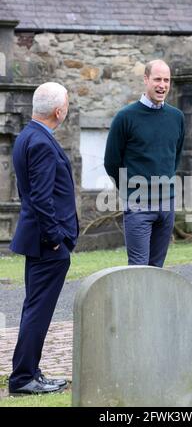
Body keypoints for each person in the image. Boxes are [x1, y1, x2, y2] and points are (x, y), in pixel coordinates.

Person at [8, 82, 79, 395]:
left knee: (33, 308)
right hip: (46, 243)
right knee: (37, 310)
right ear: (59, 111)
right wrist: (55, 239)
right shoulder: (40, 142)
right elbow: (40, 198)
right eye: (67, 105)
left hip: (38, 240)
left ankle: (29, 371)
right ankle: (23, 378)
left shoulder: (28, 135)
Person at [104, 59, 185, 267]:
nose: (162, 85)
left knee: (157, 267)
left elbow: (174, 156)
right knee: (139, 268)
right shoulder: (125, 117)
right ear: (146, 79)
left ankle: (154, 302)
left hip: (167, 203)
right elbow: (111, 161)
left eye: (166, 80)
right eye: (157, 79)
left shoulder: (177, 117)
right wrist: (130, 190)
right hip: (137, 203)